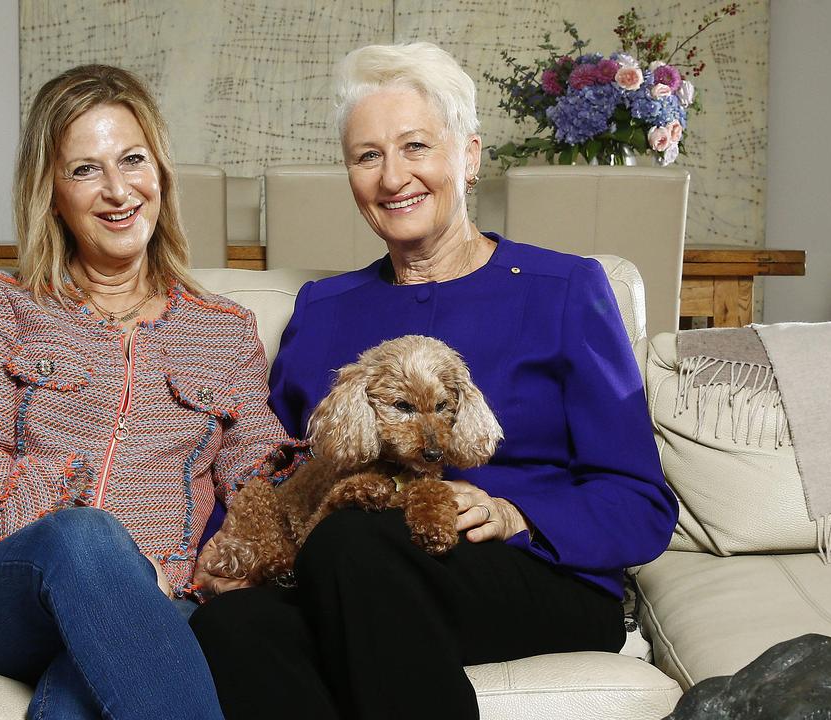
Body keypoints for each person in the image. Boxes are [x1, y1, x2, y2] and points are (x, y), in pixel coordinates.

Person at [189, 42, 679, 720]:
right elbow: (272, 468)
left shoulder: (567, 290)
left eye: (416, 146)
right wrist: (223, 549)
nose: (393, 178)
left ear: (469, 156)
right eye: (368, 156)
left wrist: (515, 514)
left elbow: (641, 503)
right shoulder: (325, 310)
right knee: (229, 627)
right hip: (349, 574)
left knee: (354, 539)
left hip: (527, 573)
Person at [0, 64, 305, 720]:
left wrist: (258, 546)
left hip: (160, 603)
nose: (118, 191)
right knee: (85, 541)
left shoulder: (223, 331)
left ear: (161, 175)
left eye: (132, 160)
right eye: (84, 169)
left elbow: (259, 470)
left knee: (78, 700)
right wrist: (112, 551)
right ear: (51, 193)